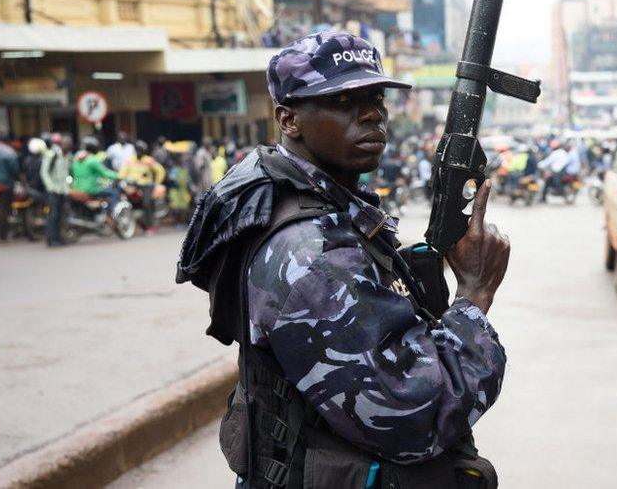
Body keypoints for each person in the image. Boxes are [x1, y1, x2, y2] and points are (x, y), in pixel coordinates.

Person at [177, 31, 508, 489]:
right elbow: (414, 417)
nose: (372, 112)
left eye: (375, 97)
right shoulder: (311, 254)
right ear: (289, 120)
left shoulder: (332, 209)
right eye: (344, 101)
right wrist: (475, 295)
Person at [119, 140, 166, 235]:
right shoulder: (130, 160)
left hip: (146, 186)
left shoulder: (148, 160)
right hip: (132, 185)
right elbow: (123, 172)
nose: (139, 152)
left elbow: (161, 171)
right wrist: (118, 178)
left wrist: (156, 183)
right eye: (137, 150)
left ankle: (151, 227)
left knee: (146, 204)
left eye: (141, 150)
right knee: (124, 201)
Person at [71, 138, 121, 213]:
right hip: (90, 189)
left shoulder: (76, 158)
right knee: (114, 192)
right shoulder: (93, 159)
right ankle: (112, 214)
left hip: (76, 187)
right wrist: (119, 176)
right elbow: (105, 173)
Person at [41, 134, 72, 247]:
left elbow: (67, 173)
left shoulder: (67, 156)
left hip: (63, 190)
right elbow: (44, 172)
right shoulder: (52, 155)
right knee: (53, 215)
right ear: (61, 144)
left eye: (69, 145)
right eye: (65, 144)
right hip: (53, 191)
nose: (67, 147)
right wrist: (51, 187)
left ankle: (58, 237)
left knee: (60, 215)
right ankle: (51, 239)